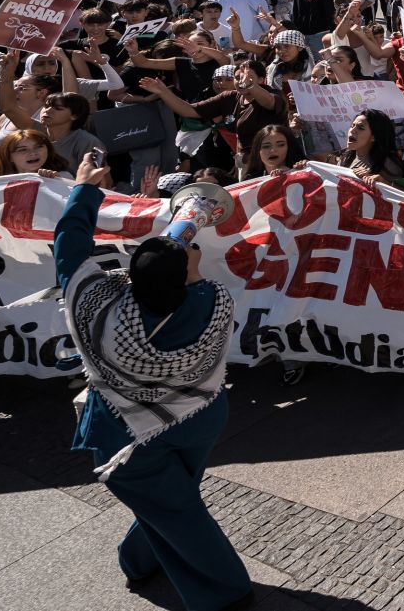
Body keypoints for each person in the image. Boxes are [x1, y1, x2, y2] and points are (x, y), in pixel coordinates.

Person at [54, 159, 253, 610]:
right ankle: (140, 561)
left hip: (128, 430)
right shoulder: (212, 299)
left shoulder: (98, 304)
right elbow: (188, 279)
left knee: (176, 509)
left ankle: (225, 593)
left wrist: (84, 191)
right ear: (185, 277)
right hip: (199, 415)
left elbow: (69, 246)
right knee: (174, 501)